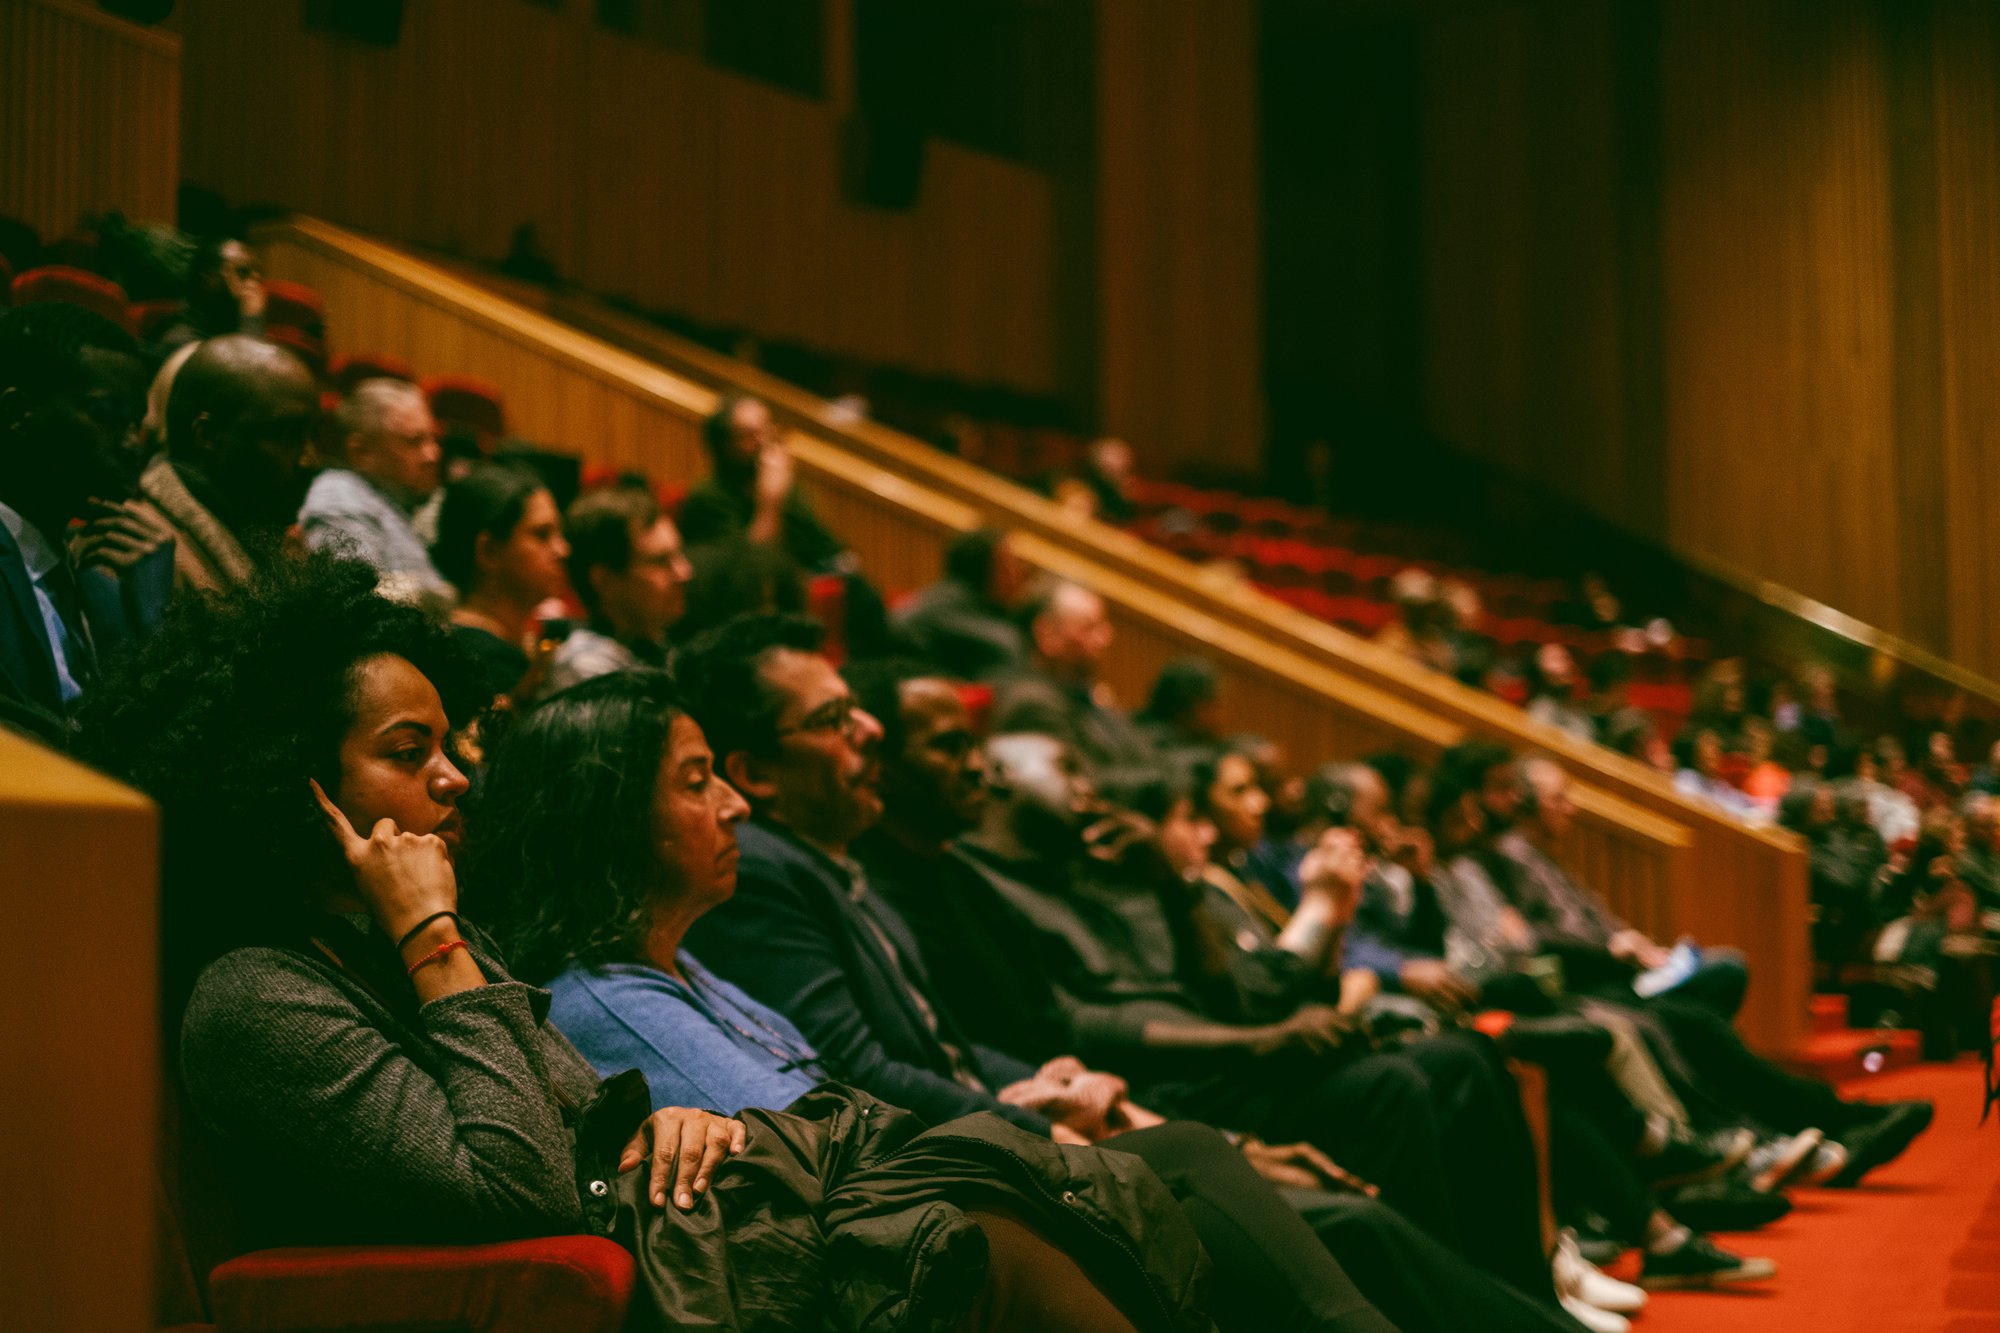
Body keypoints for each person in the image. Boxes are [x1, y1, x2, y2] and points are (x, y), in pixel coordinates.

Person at [78, 555, 1201, 1333]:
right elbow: (517, 1186)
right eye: (408, 750)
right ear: (296, 784)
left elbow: (581, 1118)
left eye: (448, 744)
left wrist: (672, 1120)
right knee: (965, 1240)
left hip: (655, 1253)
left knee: (1009, 1197)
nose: (455, 775)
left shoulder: (437, 950)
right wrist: (428, 932)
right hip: (551, 1296)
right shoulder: (255, 997)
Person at [472, 670, 1423, 1333]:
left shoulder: (675, 962)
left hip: (917, 1194)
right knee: (1195, 1158)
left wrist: (1041, 1112)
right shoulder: (611, 994)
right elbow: (836, 1144)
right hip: (872, 1253)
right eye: (696, 781)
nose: (735, 806)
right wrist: (1036, 1128)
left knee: (1213, 1164)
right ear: (606, 817)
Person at [0, 303, 163, 736]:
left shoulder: (98, 581)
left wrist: (153, 617)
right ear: (18, 414)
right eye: (108, 417)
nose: (132, 445)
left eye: (137, 425)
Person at [129, 334, 318, 597]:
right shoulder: (137, 550)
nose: (309, 460)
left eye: (309, 435)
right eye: (286, 434)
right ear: (207, 435)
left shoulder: (269, 535)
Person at [989, 580, 1159, 801]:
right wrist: (1163, 787)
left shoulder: (1085, 693)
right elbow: (1088, 788)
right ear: (1046, 634)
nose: (1105, 639)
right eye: (1089, 628)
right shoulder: (1031, 705)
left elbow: (1143, 756)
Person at [299, 378, 451, 608]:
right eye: (414, 442)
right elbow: (356, 597)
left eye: (432, 439)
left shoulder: (401, 500)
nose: (432, 455)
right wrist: (444, 599)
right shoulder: (339, 496)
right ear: (361, 452)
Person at [430, 463, 570, 708]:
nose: (563, 550)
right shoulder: (480, 662)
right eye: (542, 535)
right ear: (489, 552)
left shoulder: (524, 640)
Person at [545, 485, 691, 692]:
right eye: (660, 562)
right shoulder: (586, 669)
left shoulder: (654, 645)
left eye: (678, 554)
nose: (684, 572)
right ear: (605, 581)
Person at [677, 394, 844, 572]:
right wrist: (770, 502)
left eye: (767, 428)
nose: (764, 441)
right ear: (725, 446)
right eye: (750, 435)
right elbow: (748, 571)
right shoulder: (707, 498)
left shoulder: (780, 483)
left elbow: (823, 546)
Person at [891, 526, 1029, 680]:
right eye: (1006, 566)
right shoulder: (948, 602)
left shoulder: (971, 601)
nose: (1017, 574)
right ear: (979, 569)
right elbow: (1008, 648)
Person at [152, 235, 266, 355]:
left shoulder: (228, 326)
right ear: (208, 278)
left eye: (259, 273)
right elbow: (248, 370)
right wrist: (252, 318)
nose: (254, 283)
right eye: (243, 272)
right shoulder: (181, 338)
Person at [1134, 658, 1227, 773]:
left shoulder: (1196, 738)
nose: (1220, 716)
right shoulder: (1146, 739)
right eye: (1213, 706)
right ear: (1183, 708)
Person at [1523, 644, 1594, 742]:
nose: (1568, 665)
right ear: (1540, 670)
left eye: (1567, 658)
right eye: (1556, 659)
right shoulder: (1539, 709)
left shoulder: (1582, 712)